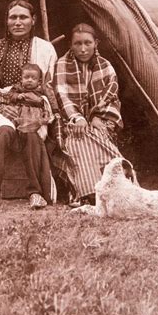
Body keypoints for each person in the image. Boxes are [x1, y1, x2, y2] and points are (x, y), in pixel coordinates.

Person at [0, 0, 57, 210]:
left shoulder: (45, 49)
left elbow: (49, 89)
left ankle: (35, 193)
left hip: (33, 108)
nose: (17, 22)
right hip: (2, 107)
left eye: (23, 17)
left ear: (33, 20)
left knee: (31, 134)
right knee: (4, 132)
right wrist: (7, 108)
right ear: (7, 21)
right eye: (12, 17)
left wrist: (33, 107)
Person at [53, 22, 125, 205]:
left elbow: (112, 95)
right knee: (77, 140)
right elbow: (62, 96)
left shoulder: (105, 66)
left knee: (95, 136)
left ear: (96, 43)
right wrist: (77, 118)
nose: (83, 49)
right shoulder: (62, 64)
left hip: (101, 119)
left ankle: (107, 191)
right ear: (70, 44)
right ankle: (88, 193)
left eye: (88, 43)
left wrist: (96, 116)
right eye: (78, 44)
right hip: (70, 120)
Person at [0, 63, 54, 140]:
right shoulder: (18, 87)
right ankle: (17, 136)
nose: (29, 80)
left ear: (39, 81)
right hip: (21, 110)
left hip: (36, 112)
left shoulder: (42, 89)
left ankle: (35, 139)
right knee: (14, 124)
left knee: (38, 128)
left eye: (33, 78)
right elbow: (9, 94)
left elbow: (51, 98)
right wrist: (17, 96)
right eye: (26, 77)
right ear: (21, 79)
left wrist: (55, 110)